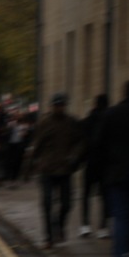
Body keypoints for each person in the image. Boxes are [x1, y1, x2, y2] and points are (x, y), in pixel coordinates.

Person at [27, 92, 84, 248]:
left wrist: (74, 156)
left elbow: (79, 142)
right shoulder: (45, 123)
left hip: (65, 169)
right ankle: (48, 237)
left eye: (61, 105)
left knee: (67, 204)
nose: (59, 108)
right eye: (57, 105)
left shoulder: (72, 122)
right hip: (47, 169)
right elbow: (36, 145)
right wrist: (31, 167)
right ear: (52, 106)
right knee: (46, 203)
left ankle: (58, 225)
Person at [94, 81, 129, 257]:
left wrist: (101, 172)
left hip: (116, 174)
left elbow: (99, 145)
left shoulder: (112, 114)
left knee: (121, 217)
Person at [79, 94, 110, 237]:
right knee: (104, 196)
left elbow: (81, 141)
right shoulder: (109, 119)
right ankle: (103, 227)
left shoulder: (88, 120)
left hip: (90, 162)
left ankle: (85, 225)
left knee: (86, 195)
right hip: (105, 163)